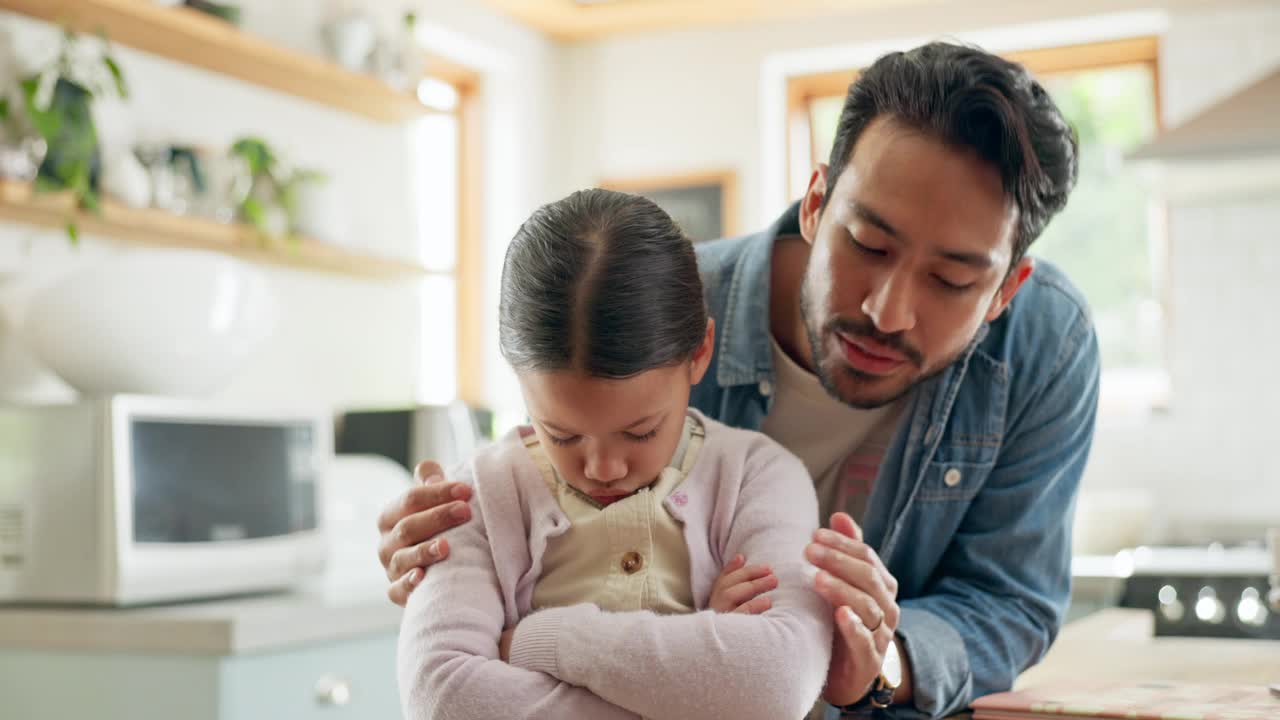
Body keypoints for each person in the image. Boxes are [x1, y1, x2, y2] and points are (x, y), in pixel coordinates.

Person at [380, 41, 1096, 719]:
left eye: (951, 280)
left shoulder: (1043, 346)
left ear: (1005, 290)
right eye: (868, 244)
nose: (888, 310)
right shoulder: (662, 311)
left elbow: (1010, 600)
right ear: (817, 200)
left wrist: (882, 663)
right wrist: (438, 557)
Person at [397, 189, 834, 720]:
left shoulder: (759, 477)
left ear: (700, 353)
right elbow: (442, 698)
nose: (603, 468)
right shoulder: (477, 497)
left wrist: (545, 640)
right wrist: (701, 672)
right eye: (562, 435)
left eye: (641, 431)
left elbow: (777, 682)